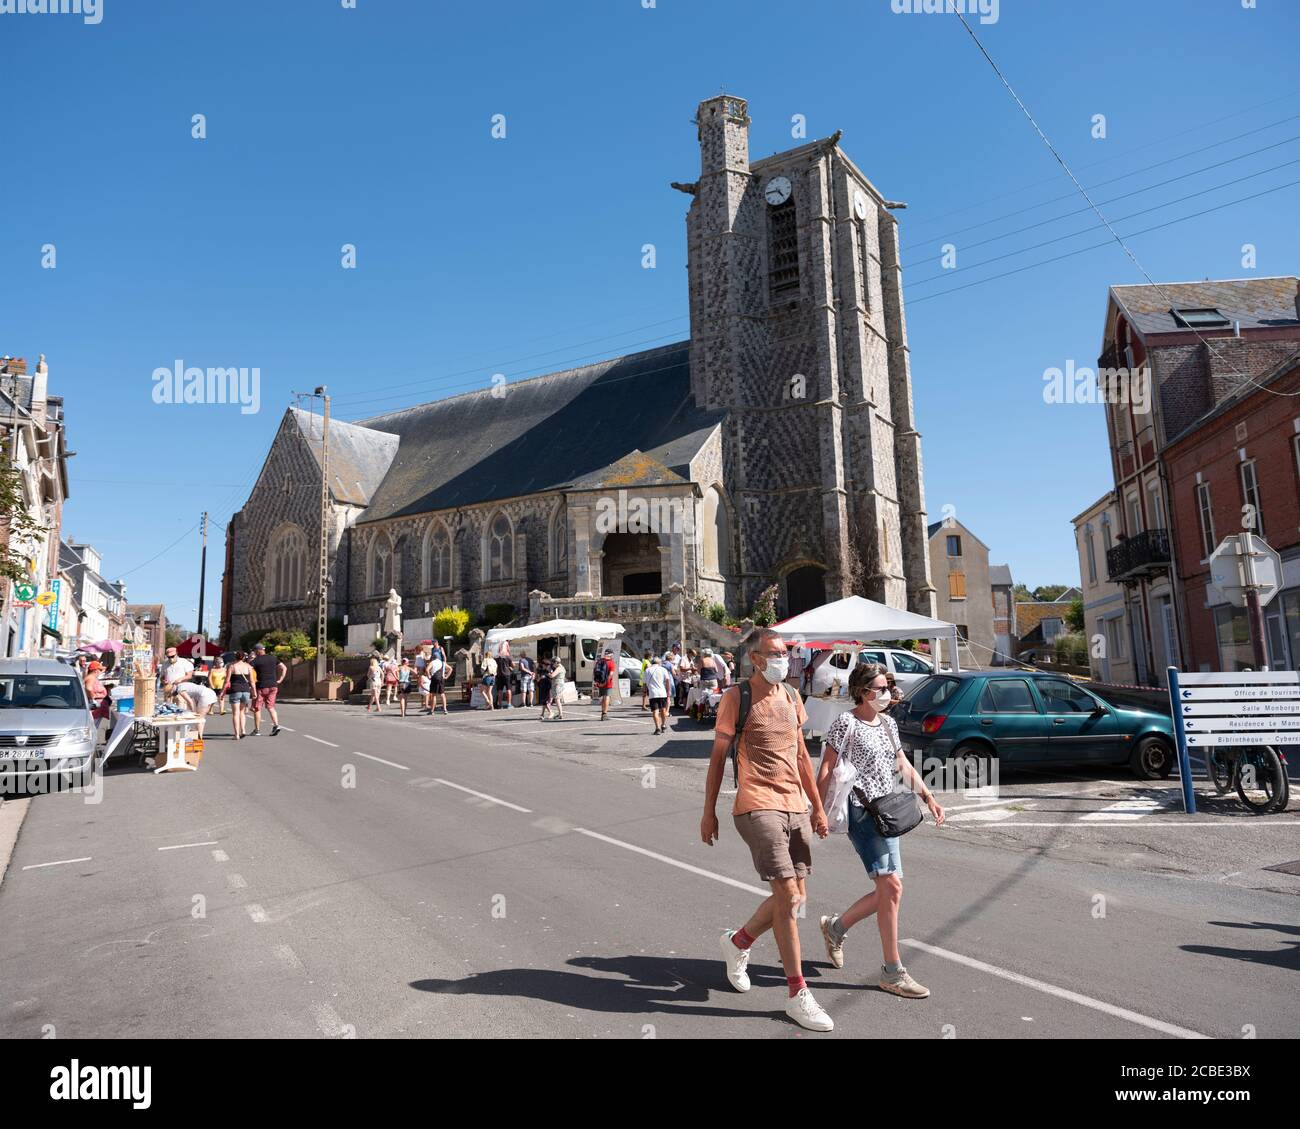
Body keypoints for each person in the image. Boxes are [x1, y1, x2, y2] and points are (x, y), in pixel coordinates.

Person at [702, 628, 832, 1033]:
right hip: (756, 804)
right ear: (755, 658)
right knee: (788, 895)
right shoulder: (736, 697)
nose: (785, 659)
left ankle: (738, 941)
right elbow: (718, 759)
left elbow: (802, 757)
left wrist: (816, 806)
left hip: (795, 803)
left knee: (795, 897)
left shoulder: (792, 697)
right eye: (776, 653)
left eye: (787, 652)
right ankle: (797, 994)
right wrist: (708, 812)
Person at [816, 663, 945, 1000]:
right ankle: (892, 971)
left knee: (892, 891)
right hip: (861, 813)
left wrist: (928, 796)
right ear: (862, 691)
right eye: (880, 688)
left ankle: (836, 927)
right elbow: (827, 766)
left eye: (888, 687)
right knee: (891, 886)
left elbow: (901, 764)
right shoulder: (847, 722)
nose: (887, 693)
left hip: (886, 812)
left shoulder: (888, 723)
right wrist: (816, 809)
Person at [249, 643, 286, 736]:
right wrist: (280, 679)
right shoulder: (273, 658)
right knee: (271, 707)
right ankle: (276, 725)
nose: (255, 653)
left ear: (258, 650)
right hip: (273, 686)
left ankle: (257, 730)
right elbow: (284, 667)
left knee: (257, 708)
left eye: (255, 651)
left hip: (261, 686)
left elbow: (248, 670)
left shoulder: (256, 660)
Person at [223, 651, 256, 740]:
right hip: (246, 691)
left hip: (235, 690)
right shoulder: (248, 666)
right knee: (242, 712)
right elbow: (252, 682)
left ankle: (236, 734)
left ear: (235, 657)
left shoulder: (232, 666)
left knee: (235, 713)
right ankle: (243, 730)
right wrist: (254, 692)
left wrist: (222, 693)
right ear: (244, 657)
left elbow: (227, 681)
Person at [642, 657, 673, 737]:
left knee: (655, 711)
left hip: (652, 693)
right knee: (663, 710)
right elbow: (668, 681)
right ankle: (663, 725)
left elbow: (644, 684)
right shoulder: (663, 669)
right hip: (662, 693)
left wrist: (644, 693)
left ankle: (657, 728)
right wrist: (668, 692)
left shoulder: (647, 670)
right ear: (659, 663)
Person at [84, 661, 111, 726]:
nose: (100, 671)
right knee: (96, 727)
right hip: (96, 707)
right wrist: (92, 699)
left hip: (98, 707)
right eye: (100, 669)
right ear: (95, 670)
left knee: (97, 726)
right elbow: (88, 688)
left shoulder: (91, 677)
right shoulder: (91, 678)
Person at [592, 649, 615, 721]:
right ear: (611, 655)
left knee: (603, 697)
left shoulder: (599, 661)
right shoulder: (611, 663)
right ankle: (604, 714)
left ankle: (603, 713)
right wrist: (606, 682)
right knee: (607, 697)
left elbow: (594, 672)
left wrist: (597, 682)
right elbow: (611, 674)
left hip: (600, 682)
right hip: (607, 683)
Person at [427, 649, 449, 715]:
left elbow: (427, 669)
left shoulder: (432, 662)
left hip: (434, 678)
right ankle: (445, 709)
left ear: (433, 657)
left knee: (433, 695)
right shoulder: (443, 663)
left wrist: (429, 676)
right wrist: (446, 676)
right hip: (441, 679)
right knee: (442, 694)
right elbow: (450, 669)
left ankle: (432, 710)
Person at [545, 656, 566, 720]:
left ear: (556, 662)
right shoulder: (562, 667)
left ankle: (560, 714)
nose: (553, 665)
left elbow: (552, 675)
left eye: (553, 663)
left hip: (558, 684)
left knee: (557, 699)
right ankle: (560, 713)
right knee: (557, 699)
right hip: (559, 683)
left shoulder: (559, 668)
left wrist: (548, 673)